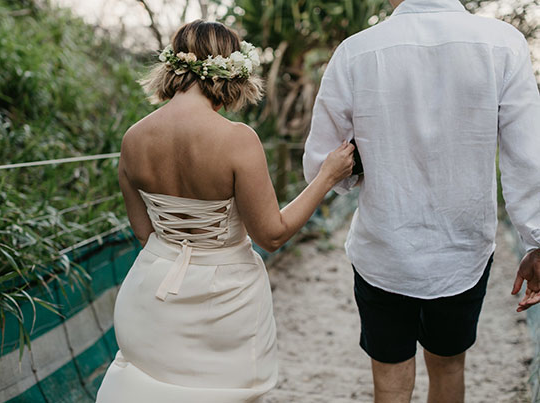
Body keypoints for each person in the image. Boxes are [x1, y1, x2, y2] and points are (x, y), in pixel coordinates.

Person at [95, 20, 355, 403]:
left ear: (173, 66)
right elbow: (272, 234)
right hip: (223, 303)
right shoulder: (237, 140)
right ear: (231, 72)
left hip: (151, 296)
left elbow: (143, 232)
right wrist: (327, 176)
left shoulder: (133, 138)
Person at [303, 0, 540, 402]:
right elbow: (528, 156)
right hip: (464, 249)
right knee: (449, 366)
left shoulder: (357, 51)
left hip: (383, 249)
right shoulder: (502, 44)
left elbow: (322, 162)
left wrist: (365, 166)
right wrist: (536, 239)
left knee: (390, 378)